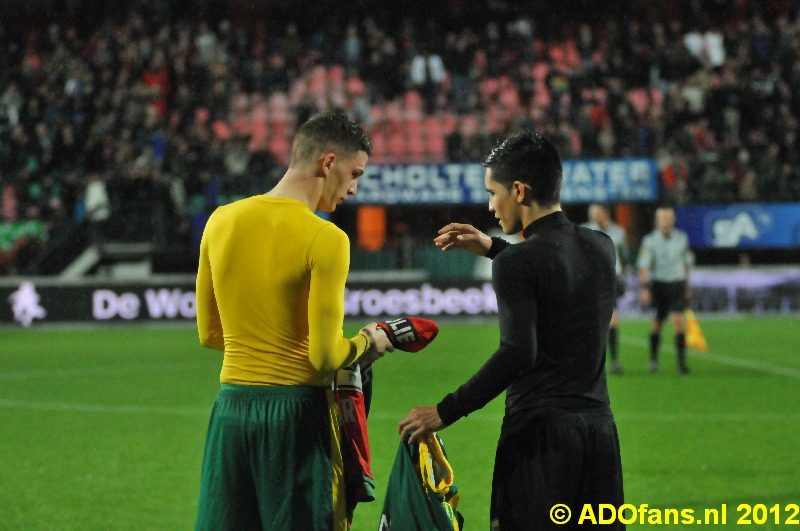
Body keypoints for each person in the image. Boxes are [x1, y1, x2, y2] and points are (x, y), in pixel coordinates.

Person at [398, 131, 624, 530]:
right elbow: (555, 270)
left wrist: (444, 411)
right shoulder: (602, 246)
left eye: (492, 192)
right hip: (599, 438)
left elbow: (519, 352)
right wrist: (493, 247)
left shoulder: (516, 264)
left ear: (519, 190)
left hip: (539, 441)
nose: (490, 205)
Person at [194, 110, 394, 531]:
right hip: (297, 419)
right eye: (354, 173)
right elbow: (325, 357)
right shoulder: (326, 238)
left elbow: (210, 334)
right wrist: (367, 342)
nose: (354, 189)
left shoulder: (221, 221)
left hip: (230, 412)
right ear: (328, 163)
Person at [637, 206, 694, 374]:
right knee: (657, 323)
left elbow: (686, 263)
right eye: (662, 218)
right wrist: (644, 287)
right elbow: (644, 265)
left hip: (677, 283)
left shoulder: (682, 238)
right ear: (657, 220)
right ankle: (654, 360)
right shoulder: (650, 241)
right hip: (659, 284)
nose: (665, 221)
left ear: (673, 219)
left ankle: (681, 363)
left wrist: (687, 285)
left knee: (678, 321)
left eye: (668, 217)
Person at [582, 203, 630, 374]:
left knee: (612, 320)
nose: (593, 217)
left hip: (611, 279)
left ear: (605, 213)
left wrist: (624, 276)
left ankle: (614, 361)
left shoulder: (619, 232)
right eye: (591, 213)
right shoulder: (584, 231)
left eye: (596, 213)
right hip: (590, 280)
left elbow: (624, 256)